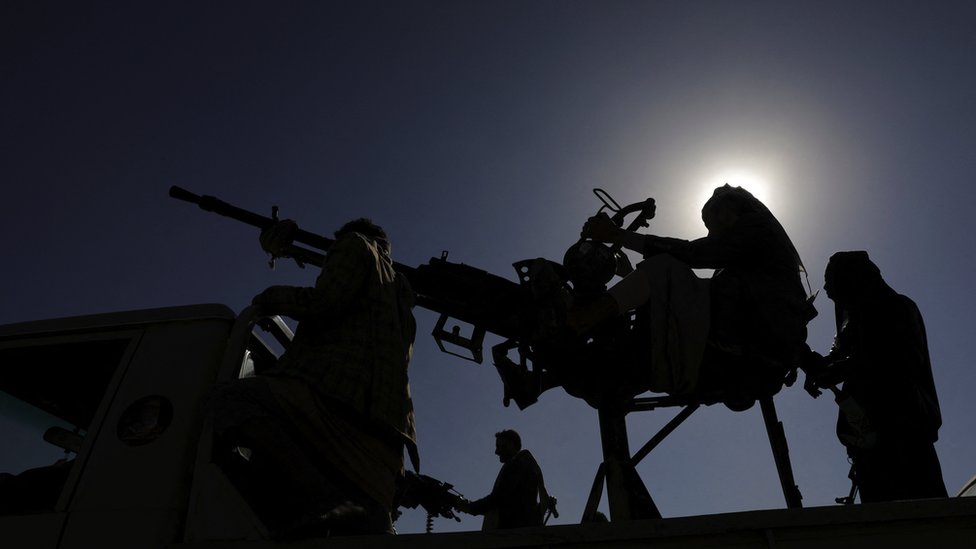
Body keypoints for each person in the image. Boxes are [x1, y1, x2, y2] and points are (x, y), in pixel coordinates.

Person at [208, 218, 419, 537]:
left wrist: (271, 297)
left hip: (335, 395)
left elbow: (325, 302)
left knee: (230, 399)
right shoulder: (401, 289)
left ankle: (327, 500)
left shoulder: (355, 244)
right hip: (388, 426)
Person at [575, 184, 813, 400]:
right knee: (667, 284)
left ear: (730, 210)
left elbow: (695, 254)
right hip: (753, 343)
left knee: (664, 268)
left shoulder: (755, 230)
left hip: (750, 345)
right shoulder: (748, 267)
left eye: (712, 223)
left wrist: (620, 236)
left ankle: (580, 322)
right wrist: (632, 276)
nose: (711, 233)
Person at [807, 251, 946, 502]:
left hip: (903, 436)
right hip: (868, 443)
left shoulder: (898, 308)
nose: (828, 290)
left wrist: (842, 369)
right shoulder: (854, 324)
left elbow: (898, 360)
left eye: (834, 283)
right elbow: (839, 357)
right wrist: (812, 363)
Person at [456, 430, 553, 529]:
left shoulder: (517, 465)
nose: (496, 452)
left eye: (499, 446)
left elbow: (498, 499)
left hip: (514, 534)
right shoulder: (525, 465)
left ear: (510, 444)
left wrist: (470, 507)